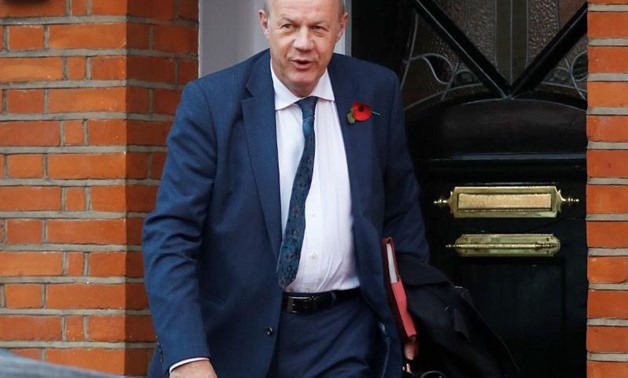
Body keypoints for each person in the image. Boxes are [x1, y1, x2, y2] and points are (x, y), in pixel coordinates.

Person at [142, 0, 429, 377]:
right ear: (265, 24)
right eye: (289, 26)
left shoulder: (376, 91)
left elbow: (400, 214)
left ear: (341, 28)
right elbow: (170, 237)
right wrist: (187, 356)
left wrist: (411, 316)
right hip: (232, 339)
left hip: (342, 335)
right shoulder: (211, 103)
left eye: (319, 29)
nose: (303, 43)